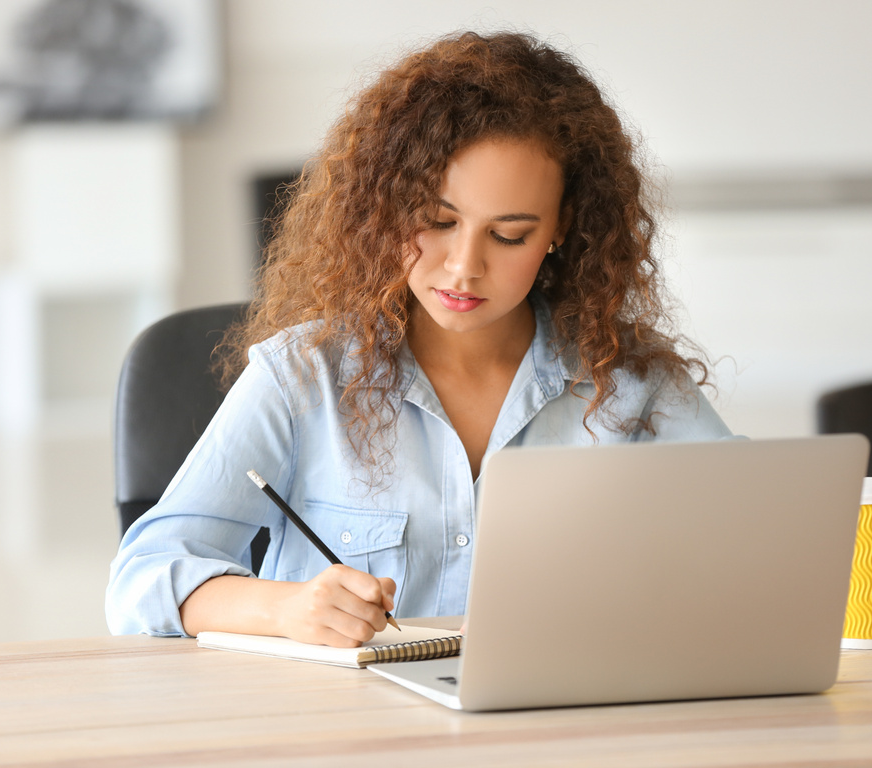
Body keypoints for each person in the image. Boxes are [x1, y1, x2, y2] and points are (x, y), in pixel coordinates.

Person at [106, 30, 733, 648]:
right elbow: (142, 580)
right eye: (436, 222)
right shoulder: (303, 375)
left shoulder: (634, 382)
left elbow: (760, 546)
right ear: (386, 206)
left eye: (509, 234)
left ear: (560, 229)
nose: (464, 266)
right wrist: (286, 608)